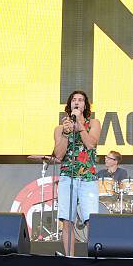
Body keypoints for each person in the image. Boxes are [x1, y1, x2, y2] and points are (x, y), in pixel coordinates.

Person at [53, 90, 101, 256]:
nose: (77, 102)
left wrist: (80, 126)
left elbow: (91, 144)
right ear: (69, 105)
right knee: (67, 220)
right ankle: (70, 259)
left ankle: (95, 257)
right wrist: (66, 134)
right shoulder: (60, 129)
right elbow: (58, 155)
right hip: (68, 177)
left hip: (88, 177)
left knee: (91, 220)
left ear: (85, 105)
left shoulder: (94, 123)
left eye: (81, 100)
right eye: (74, 99)